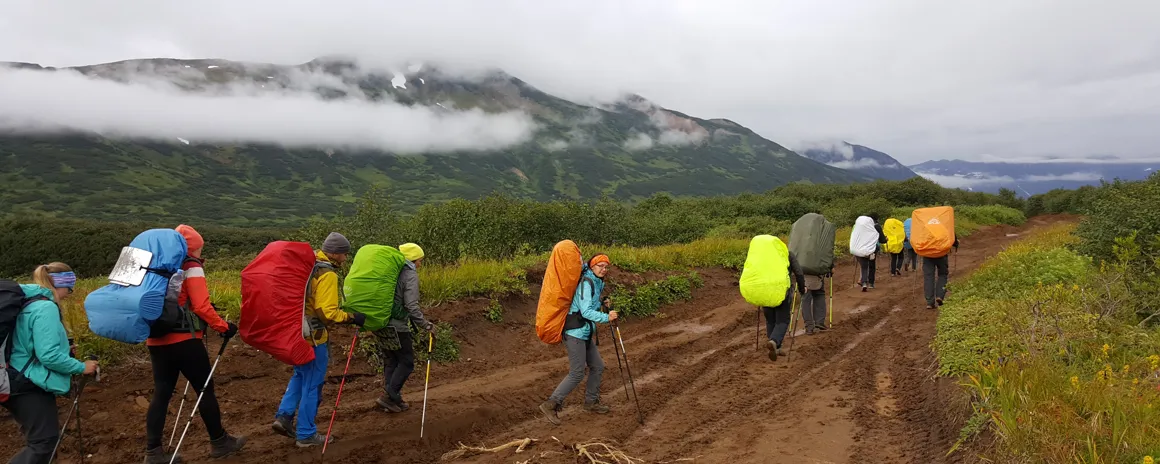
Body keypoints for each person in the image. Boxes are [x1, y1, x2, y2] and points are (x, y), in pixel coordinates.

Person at [143, 225, 245, 463]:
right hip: (185, 341)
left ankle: (153, 452)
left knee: (162, 393)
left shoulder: (155, 266)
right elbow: (200, 305)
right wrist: (224, 327)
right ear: (194, 247)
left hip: (155, 339)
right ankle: (220, 442)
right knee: (204, 390)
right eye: (200, 248)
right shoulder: (191, 266)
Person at [271, 232, 366, 447]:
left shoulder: (307, 266)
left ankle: (284, 416)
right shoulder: (327, 273)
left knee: (299, 375)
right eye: (343, 254)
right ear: (334, 253)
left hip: (295, 331)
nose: (344, 258)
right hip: (314, 336)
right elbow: (327, 312)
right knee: (313, 383)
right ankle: (305, 434)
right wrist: (352, 318)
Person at [3, 263, 99, 464]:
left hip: (14, 377)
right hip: (28, 383)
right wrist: (82, 367)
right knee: (44, 443)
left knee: (42, 441)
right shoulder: (45, 307)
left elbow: (27, 344)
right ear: (62, 284)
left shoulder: (28, 302)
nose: (70, 294)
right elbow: (48, 355)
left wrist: (65, 350)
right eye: (70, 288)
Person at [539, 254, 618, 425]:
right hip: (575, 333)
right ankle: (551, 404)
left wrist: (603, 302)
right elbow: (585, 311)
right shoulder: (586, 283)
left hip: (584, 332)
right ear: (592, 266)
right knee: (577, 372)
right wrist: (607, 317)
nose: (604, 269)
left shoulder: (596, 282)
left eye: (606, 267)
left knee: (597, 366)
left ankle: (591, 402)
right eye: (600, 266)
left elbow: (589, 305)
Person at [375, 243, 435, 413]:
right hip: (398, 326)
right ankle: (389, 396)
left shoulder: (390, 271)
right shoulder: (409, 275)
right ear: (413, 259)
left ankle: (393, 399)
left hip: (381, 322)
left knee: (391, 361)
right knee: (407, 362)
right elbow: (411, 305)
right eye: (419, 261)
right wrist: (426, 325)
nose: (420, 264)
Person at [764, 253, 806, 361]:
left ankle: (776, 348)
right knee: (782, 320)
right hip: (782, 292)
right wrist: (802, 288)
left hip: (765, 291)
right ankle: (774, 341)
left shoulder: (764, 255)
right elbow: (799, 273)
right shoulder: (787, 254)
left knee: (770, 320)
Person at [923, 238, 960, 309]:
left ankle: (929, 302)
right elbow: (950, 233)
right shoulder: (943, 225)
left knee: (928, 276)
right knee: (942, 274)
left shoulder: (924, 226)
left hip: (927, 252)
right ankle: (940, 296)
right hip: (941, 252)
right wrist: (955, 242)